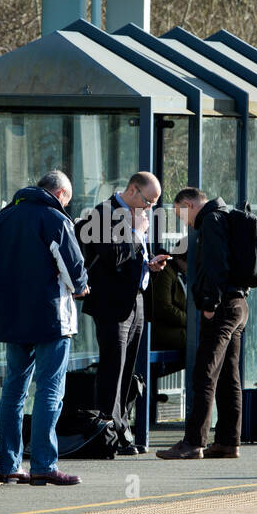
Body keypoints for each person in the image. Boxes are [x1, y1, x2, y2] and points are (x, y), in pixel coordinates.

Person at [0, 170, 90, 485]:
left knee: (13, 390)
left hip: (12, 318)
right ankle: (44, 463)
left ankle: (10, 465)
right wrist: (82, 287)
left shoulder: (2, 218)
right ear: (59, 194)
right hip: (50, 319)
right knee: (50, 390)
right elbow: (72, 268)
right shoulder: (55, 219)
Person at [76, 171, 169, 443]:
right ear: (132, 190)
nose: (151, 207)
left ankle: (121, 426)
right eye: (148, 200)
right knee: (112, 366)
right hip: (111, 302)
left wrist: (150, 263)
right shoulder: (103, 213)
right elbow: (113, 254)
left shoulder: (137, 215)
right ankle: (107, 429)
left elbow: (131, 255)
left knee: (128, 367)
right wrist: (136, 231)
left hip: (136, 298)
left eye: (154, 203)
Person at [157, 188, 250, 460]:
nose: (184, 222)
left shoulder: (211, 220)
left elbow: (215, 265)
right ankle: (228, 442)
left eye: (181, 214)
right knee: (229, 375)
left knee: (204, 373)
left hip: (221, 307)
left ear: (189, 204)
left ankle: (193, 442)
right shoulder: (228, 215)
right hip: (239, 304)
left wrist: (209, 304)